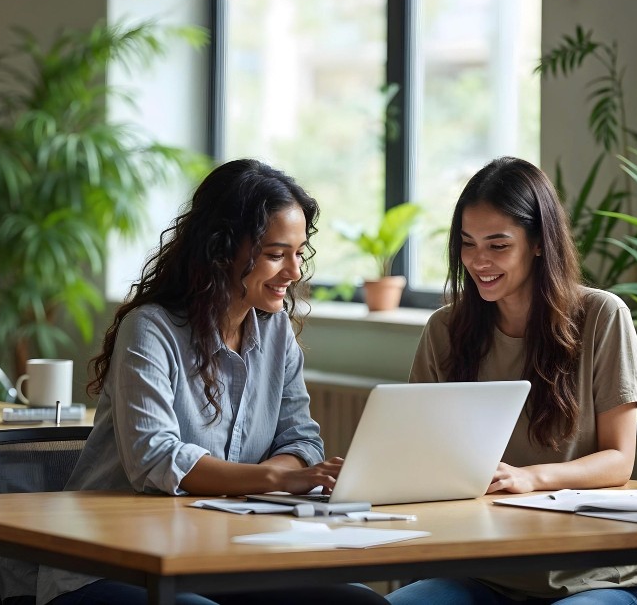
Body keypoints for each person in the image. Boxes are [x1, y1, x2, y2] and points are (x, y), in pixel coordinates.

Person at [37, 159, 388, 605]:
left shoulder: (277, 332)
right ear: (222, 250)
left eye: (300, 253)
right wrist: (276, 480)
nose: (295, 272)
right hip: (111, 566)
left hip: (223, 557)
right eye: (276, 254)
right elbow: (155, 458)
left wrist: (280, 478)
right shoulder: (150, 329)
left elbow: (301, 441)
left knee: (361, 603)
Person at [386, 157, 637, 605]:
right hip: (477, 573)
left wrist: (531, 478)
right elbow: (420, 456)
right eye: (468, 244)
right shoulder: (444, 330)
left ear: (539, 244)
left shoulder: (601, 317)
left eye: (498, 245)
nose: (478, 261)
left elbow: (619, 460)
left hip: (589, 578)